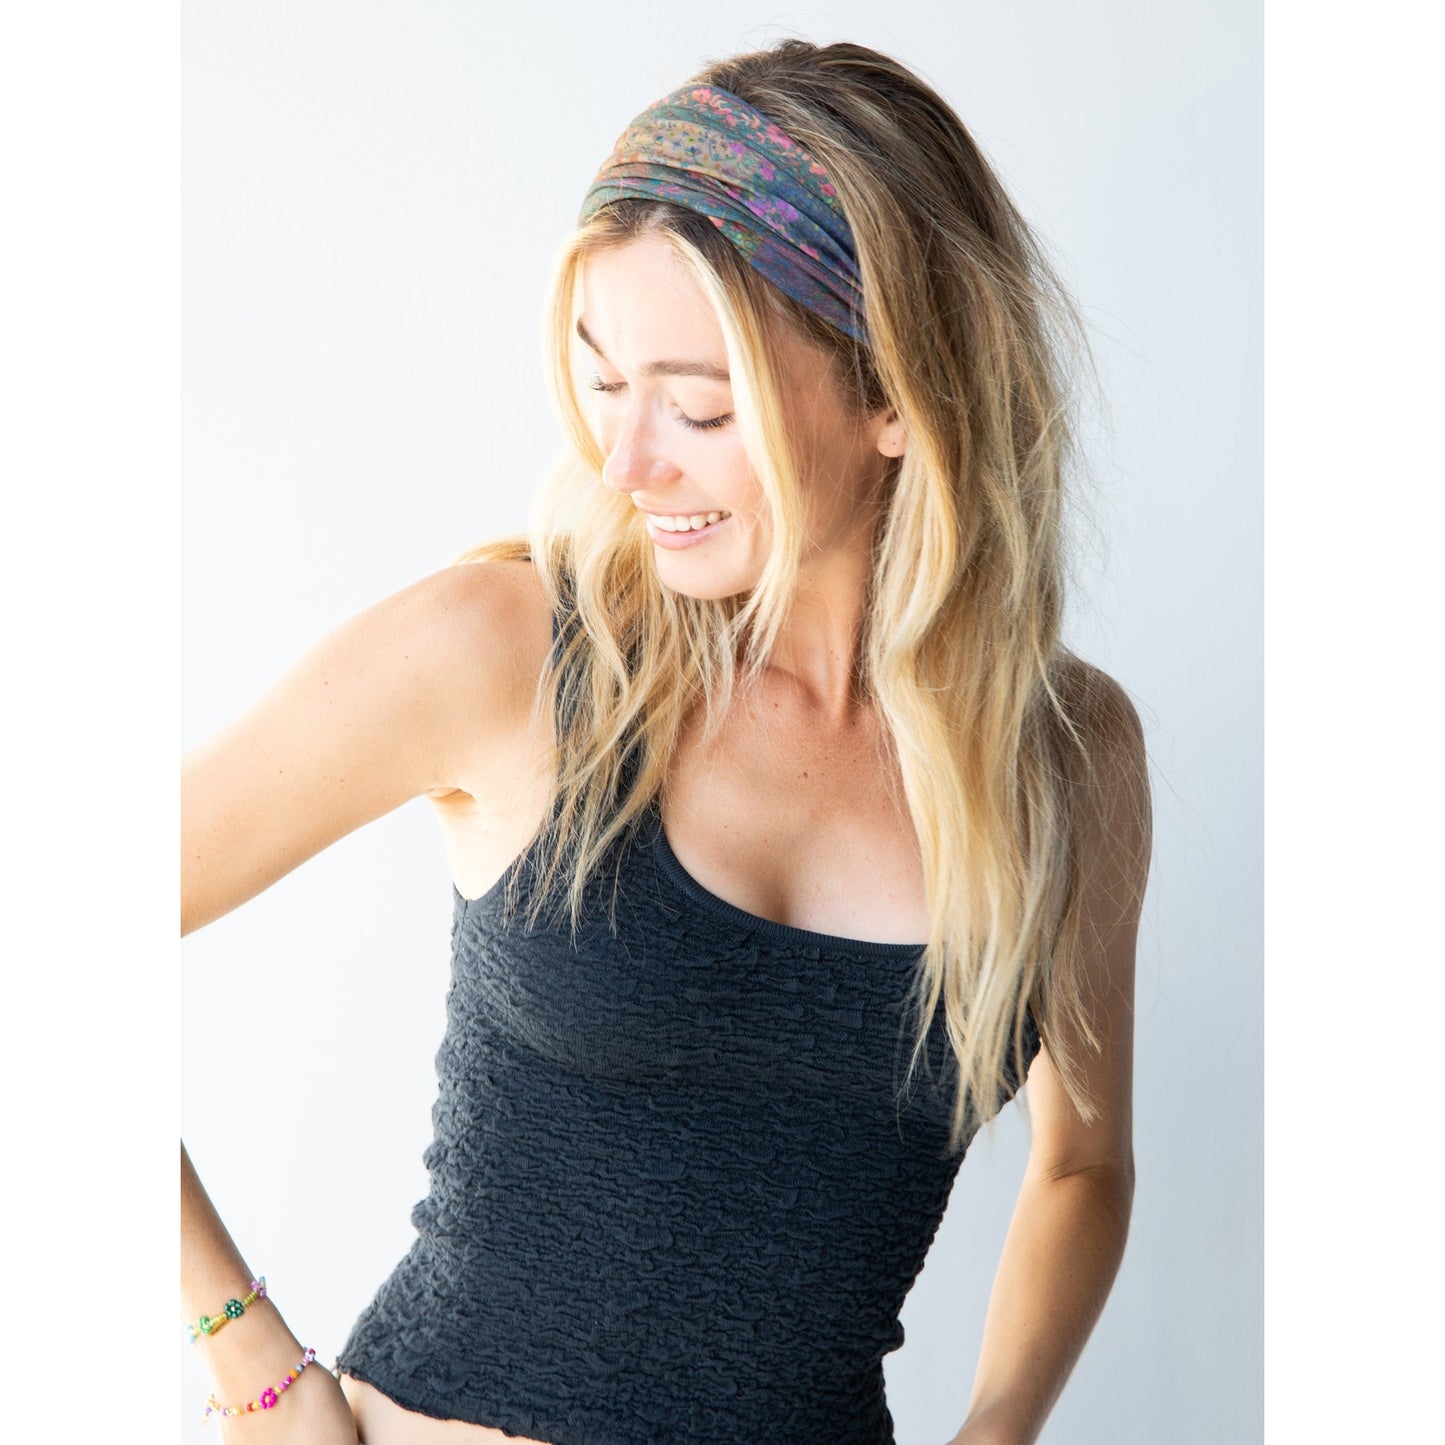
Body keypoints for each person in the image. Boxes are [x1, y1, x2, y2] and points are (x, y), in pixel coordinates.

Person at [181, 36, 1151, 1445]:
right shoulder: (502, 653)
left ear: (899, 396)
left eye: (699, 406)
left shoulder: (1062, 760)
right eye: (602, 380)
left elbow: (1081, 1164)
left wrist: (996, 1427)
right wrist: (250, 1363)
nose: (624, 462)